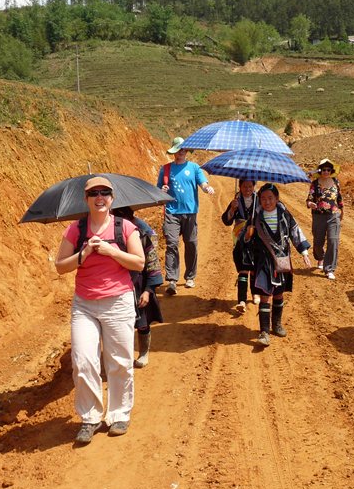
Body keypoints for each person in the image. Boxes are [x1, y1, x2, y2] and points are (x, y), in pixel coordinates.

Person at [54, 176, 145, 444]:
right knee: (83, 360)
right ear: (86, 199)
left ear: (112, 198)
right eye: (94, 193)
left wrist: (110, 251)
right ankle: (90, 417)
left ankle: (119, 413)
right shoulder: (75, 230)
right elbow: (61, 266)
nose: (99, 197)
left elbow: (139, 263)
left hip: (118, 302)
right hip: (84, 304)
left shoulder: (125, 228)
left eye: (105, 193)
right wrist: (83, 254)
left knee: (119, 361)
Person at [244, 183, 311, 346]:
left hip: (281, 261)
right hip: (263, 261)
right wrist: (247, 233)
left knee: (279, 294)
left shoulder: (284, 214)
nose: (267, 202)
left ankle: (277, 324)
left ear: (277, 199)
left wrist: (304, 252)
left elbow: (295, 231)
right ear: (259, 200)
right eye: (263, 199)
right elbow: (245, 241)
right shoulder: (255, 216)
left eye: (270, 198)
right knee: (265, 296)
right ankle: (264, 332)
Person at [157, 136, 215, 295]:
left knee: (190, 244)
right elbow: (158, 189)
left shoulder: (194, 168)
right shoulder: (166, 169)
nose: (180, 153)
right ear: (174, 152)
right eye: (178, 150)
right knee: (172, 244)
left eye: (183, 150)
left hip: (190, 213)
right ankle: (172, 280)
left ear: (187, 151)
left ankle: (190, 276)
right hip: (171, 212)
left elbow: (203, 183)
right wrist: (162, 190)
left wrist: (206, 188)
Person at [111, 206, 163, 368]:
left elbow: (153, 264)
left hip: (139, 285)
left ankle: (143, 352)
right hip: (117, 286)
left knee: (142, 321)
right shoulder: (108, 239)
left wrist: (148, 291)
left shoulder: (142, 236)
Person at [221, 179, 259, 312]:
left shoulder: (259, 200)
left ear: (254, 186)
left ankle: (255, 293)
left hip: (256, 237)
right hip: (240, 239)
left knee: (255, 267)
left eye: (250, 186)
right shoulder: (235, 201)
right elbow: (226, 220)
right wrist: (232, 209)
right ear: (239, 186)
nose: (247, 189)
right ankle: (242, 300)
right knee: (243, 267)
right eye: (244, 186)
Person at [306, 158, 344, 280]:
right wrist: (310, 204)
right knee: (318, 242)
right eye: (324, 169)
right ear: (320, 170)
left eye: (328, 170)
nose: (326, 172)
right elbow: (309, 199)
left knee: (333, 241)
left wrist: (342, 211)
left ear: (331, 171)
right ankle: (320, 258)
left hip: (333, 216)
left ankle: (329, 269)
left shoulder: (336, 182)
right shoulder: (315, 183)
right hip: (318, 217)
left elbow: (339, 199)